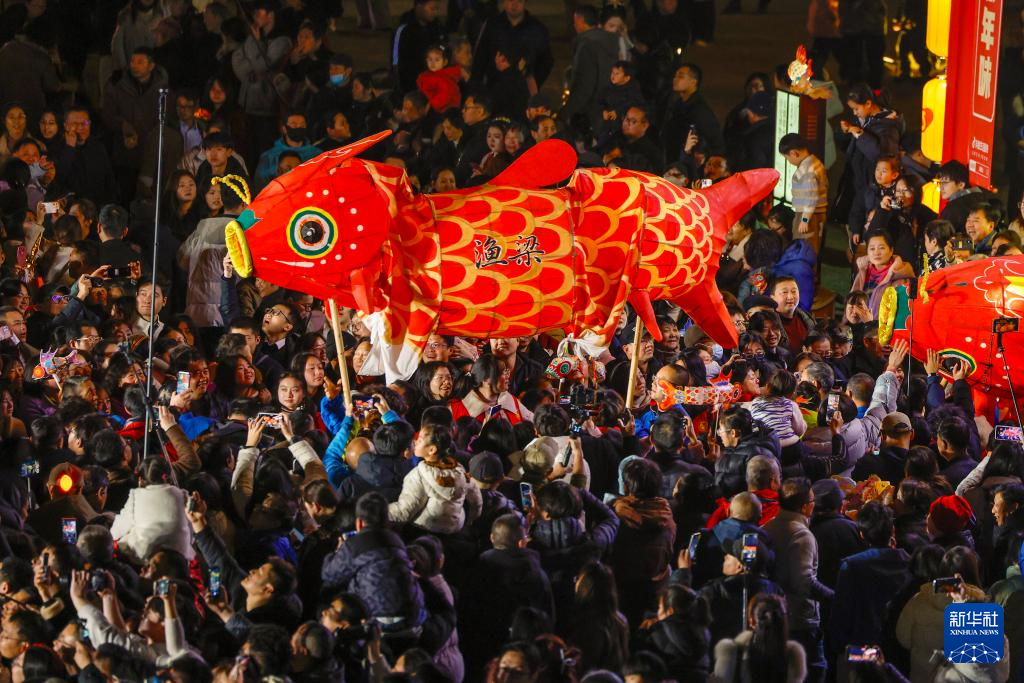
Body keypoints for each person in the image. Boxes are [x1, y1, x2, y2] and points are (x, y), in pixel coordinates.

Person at [762, 478, 832, 683]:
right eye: (812, 501)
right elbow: (804, 582)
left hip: (775, 617)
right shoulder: (802, 535)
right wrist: (833, 597)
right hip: (800, 621)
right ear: (805, 507)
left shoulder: (767, 528)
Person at [710, 593, 807, 683]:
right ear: (752, 620)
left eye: (776, 616)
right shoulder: (735, 653)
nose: (769, 619)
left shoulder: (791, 655)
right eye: (762, 615)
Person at [780, 133, 828, 254]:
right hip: (817, 213)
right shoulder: (816, 162)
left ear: (794, 153)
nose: (789, 161)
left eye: (787, 158)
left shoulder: (807, 171)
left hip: (808, 215)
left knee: (804, 248)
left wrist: (805, 220)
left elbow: (811, 198)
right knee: (813, 246)